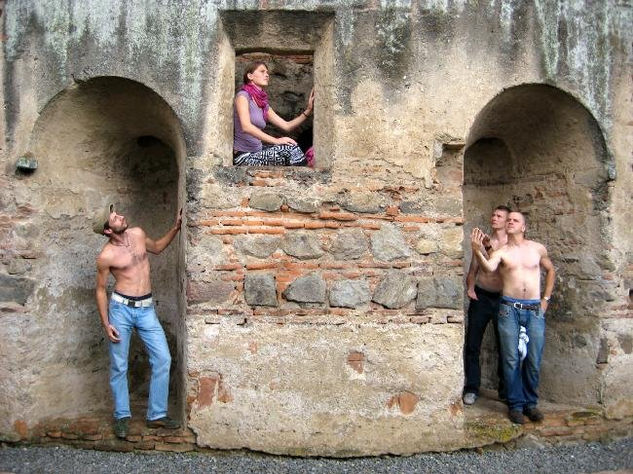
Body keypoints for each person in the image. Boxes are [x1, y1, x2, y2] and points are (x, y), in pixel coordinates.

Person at [95, 204, 182, 439]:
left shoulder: (138, 234)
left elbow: (158, 248)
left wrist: (175, 228)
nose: (121, 216)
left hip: (146, 308)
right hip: (120, 309)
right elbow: (101, 290)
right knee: (119, 365)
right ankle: (122, 416)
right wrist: (106, 322)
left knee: (163, 358)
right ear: (107, 230)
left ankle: (157, 415)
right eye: (114, 217)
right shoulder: (106, 256)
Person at [471, 211, 555, 424]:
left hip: (534, 308)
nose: (510, 222)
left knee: (533, 358)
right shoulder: (502, 251)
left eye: (514, 220)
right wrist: (477, 251)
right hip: (509, 308)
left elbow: (550, 270)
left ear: (523, 227)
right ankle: (516, 405)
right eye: (508, 220)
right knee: (511, 358)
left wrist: (545, 299)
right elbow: (489, 267)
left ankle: (530, 403)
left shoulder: (537, 248)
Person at [463, 205, 511, 406]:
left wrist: (487, 248)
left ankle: (504, 390)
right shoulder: (482, 241)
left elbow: (501, 269)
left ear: (507, 221)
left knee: (504, 345)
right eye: (493, 214)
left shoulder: (510, 246)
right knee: (473, 343)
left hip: (502, 298)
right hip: (481, 297)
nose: (494, 218)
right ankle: (472, 388)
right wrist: (471, 287)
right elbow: (474, 268)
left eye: (499, 216)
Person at [233, 61, 314, 167]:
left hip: (258, 150)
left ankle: (299, 179)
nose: (266, 75)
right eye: (262, 71)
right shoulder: (243, 97)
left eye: (267, 72)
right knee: (289, 150)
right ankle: (304, 179)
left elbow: (287, 126)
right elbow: (246, 127)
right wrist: (276, 141)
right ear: (250, 76)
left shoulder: (263, 104)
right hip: (244, 155)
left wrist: (308, 110)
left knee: (292, 145)